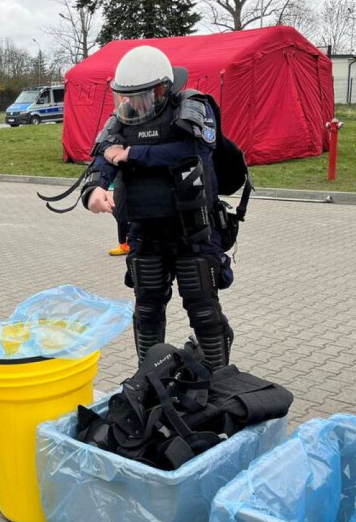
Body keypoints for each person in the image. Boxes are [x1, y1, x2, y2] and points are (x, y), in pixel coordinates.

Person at [80, 45, 250, 369]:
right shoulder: (123, 117)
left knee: (203, 309)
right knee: (147, 310)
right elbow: (105, 154)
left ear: (163, 89)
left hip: (193, 229)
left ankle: (218, 376)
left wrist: (133, 155)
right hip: (145, 232)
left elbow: (194, 150)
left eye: (143, 95)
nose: (134, 103)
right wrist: (94, 189)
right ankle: (149, 377)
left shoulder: (193, 106)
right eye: (128, 96)